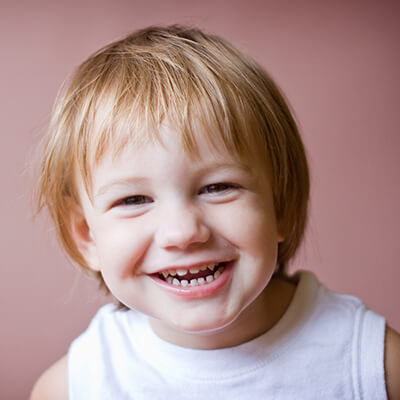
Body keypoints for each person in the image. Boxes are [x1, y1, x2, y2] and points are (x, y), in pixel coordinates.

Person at [31, 25, 400, 399]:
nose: (182, 232)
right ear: (86, 235)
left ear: (281, 206)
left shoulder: (373, 367)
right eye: (134, 200)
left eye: (218, 187)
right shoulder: (76, 386)